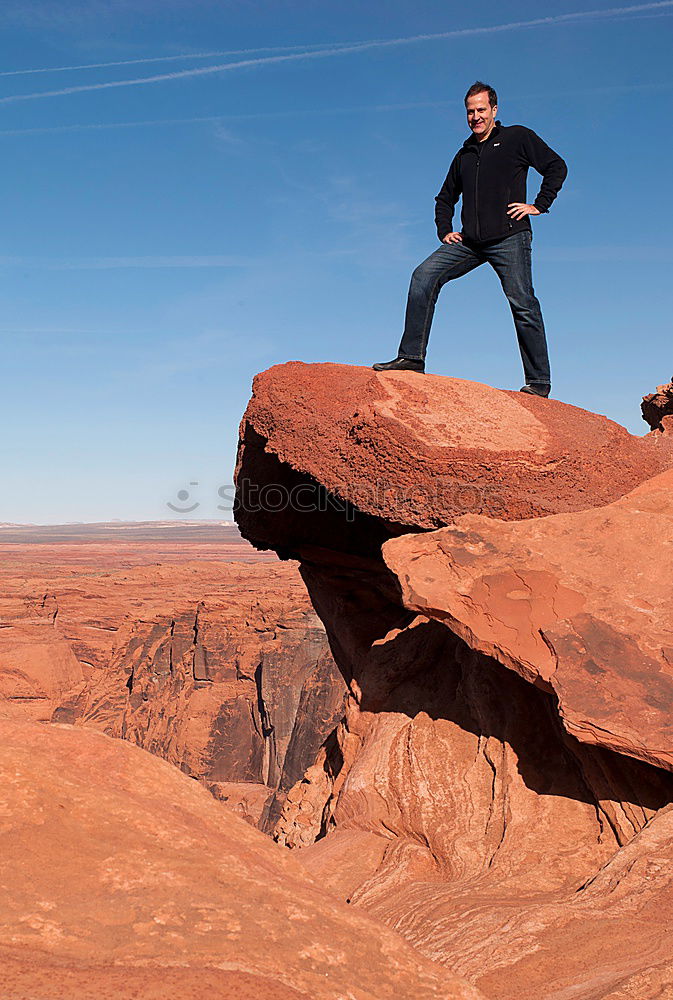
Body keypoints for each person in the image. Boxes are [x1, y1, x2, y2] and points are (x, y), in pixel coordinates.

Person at [373, 81, 567, 397]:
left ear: (494, 110)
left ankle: (538, 382)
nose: (475, 116)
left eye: (481, 110)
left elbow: (557, 166)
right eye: (470, 111)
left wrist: (539, 205)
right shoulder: (464, 154)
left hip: (509, 237)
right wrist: (444, 229)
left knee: (523, 303)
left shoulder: (517, 138)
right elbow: (444, 197)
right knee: (423, 276)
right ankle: (411, 357)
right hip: (470, 242)